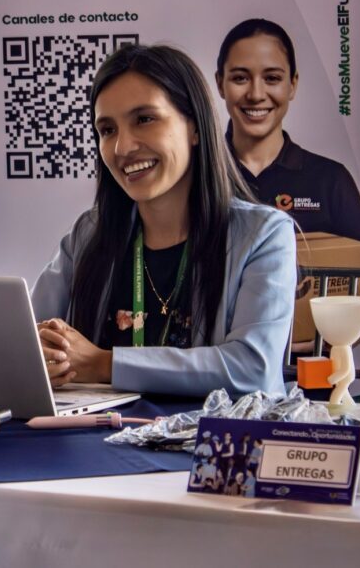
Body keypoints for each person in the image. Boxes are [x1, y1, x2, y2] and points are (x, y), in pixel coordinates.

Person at [32, 44, 296, 398]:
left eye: (144, 119)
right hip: (98, 443)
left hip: (209, 446)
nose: (123, 147)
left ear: (195, 128)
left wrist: (104, 364)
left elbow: (253, 368)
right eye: (107, 130)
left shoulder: (263, 235)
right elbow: (26, 338)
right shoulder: (88, 234)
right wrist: (42, 352)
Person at [215, 18, 360, 244]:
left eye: (272, 78)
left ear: (292, 84)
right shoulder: (196, 176)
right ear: (220, 84)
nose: (256, 94)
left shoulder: (331, 180)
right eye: (240, 78)